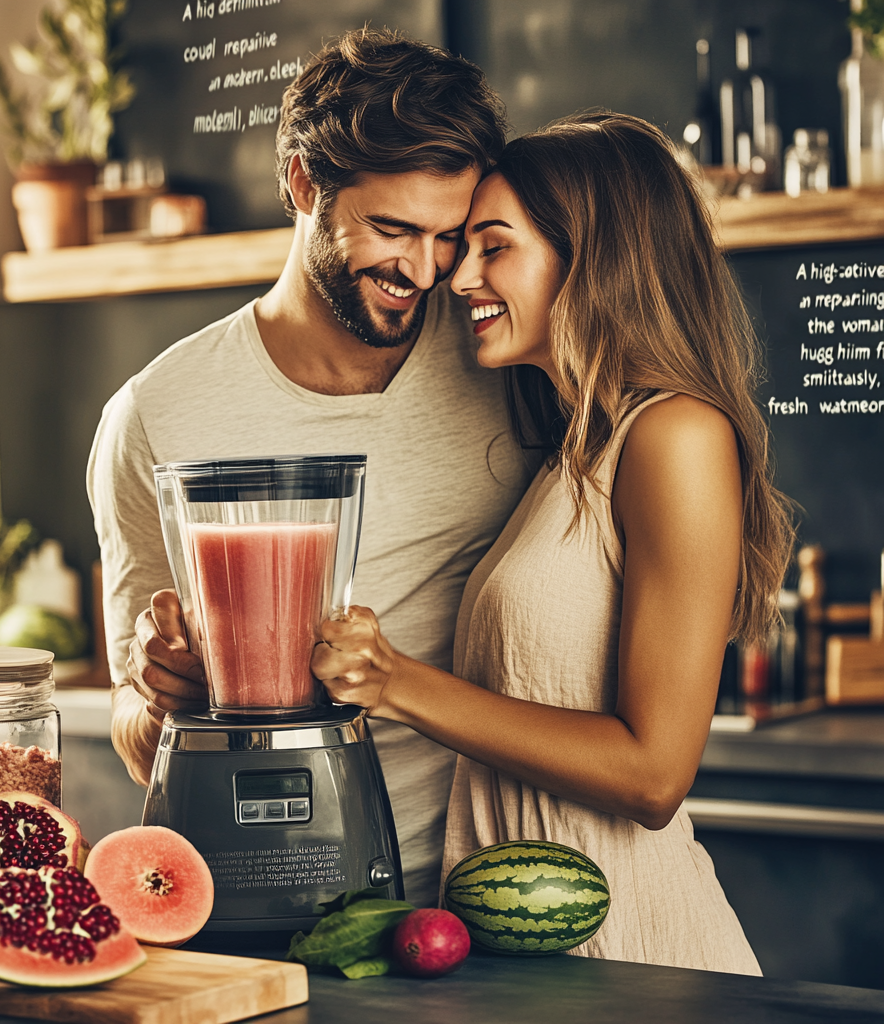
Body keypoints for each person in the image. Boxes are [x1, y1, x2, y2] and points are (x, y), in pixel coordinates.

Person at [311, 112, 794, 974]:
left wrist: (400, 683)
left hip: (637, 958)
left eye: (493, 248)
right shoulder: (575, 447)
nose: (459, 278)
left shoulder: (675, 433)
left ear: (593, 260)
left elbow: (654, 775)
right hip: (529, 958)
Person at [87, 29, 534, 909]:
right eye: (392, 229)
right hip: (270, 899)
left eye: (448, 237)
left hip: (499, 889)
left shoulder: (505, 359)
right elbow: (137, 737)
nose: (423, 270)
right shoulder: (156, 414)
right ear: (302, 184)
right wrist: (161, 694)